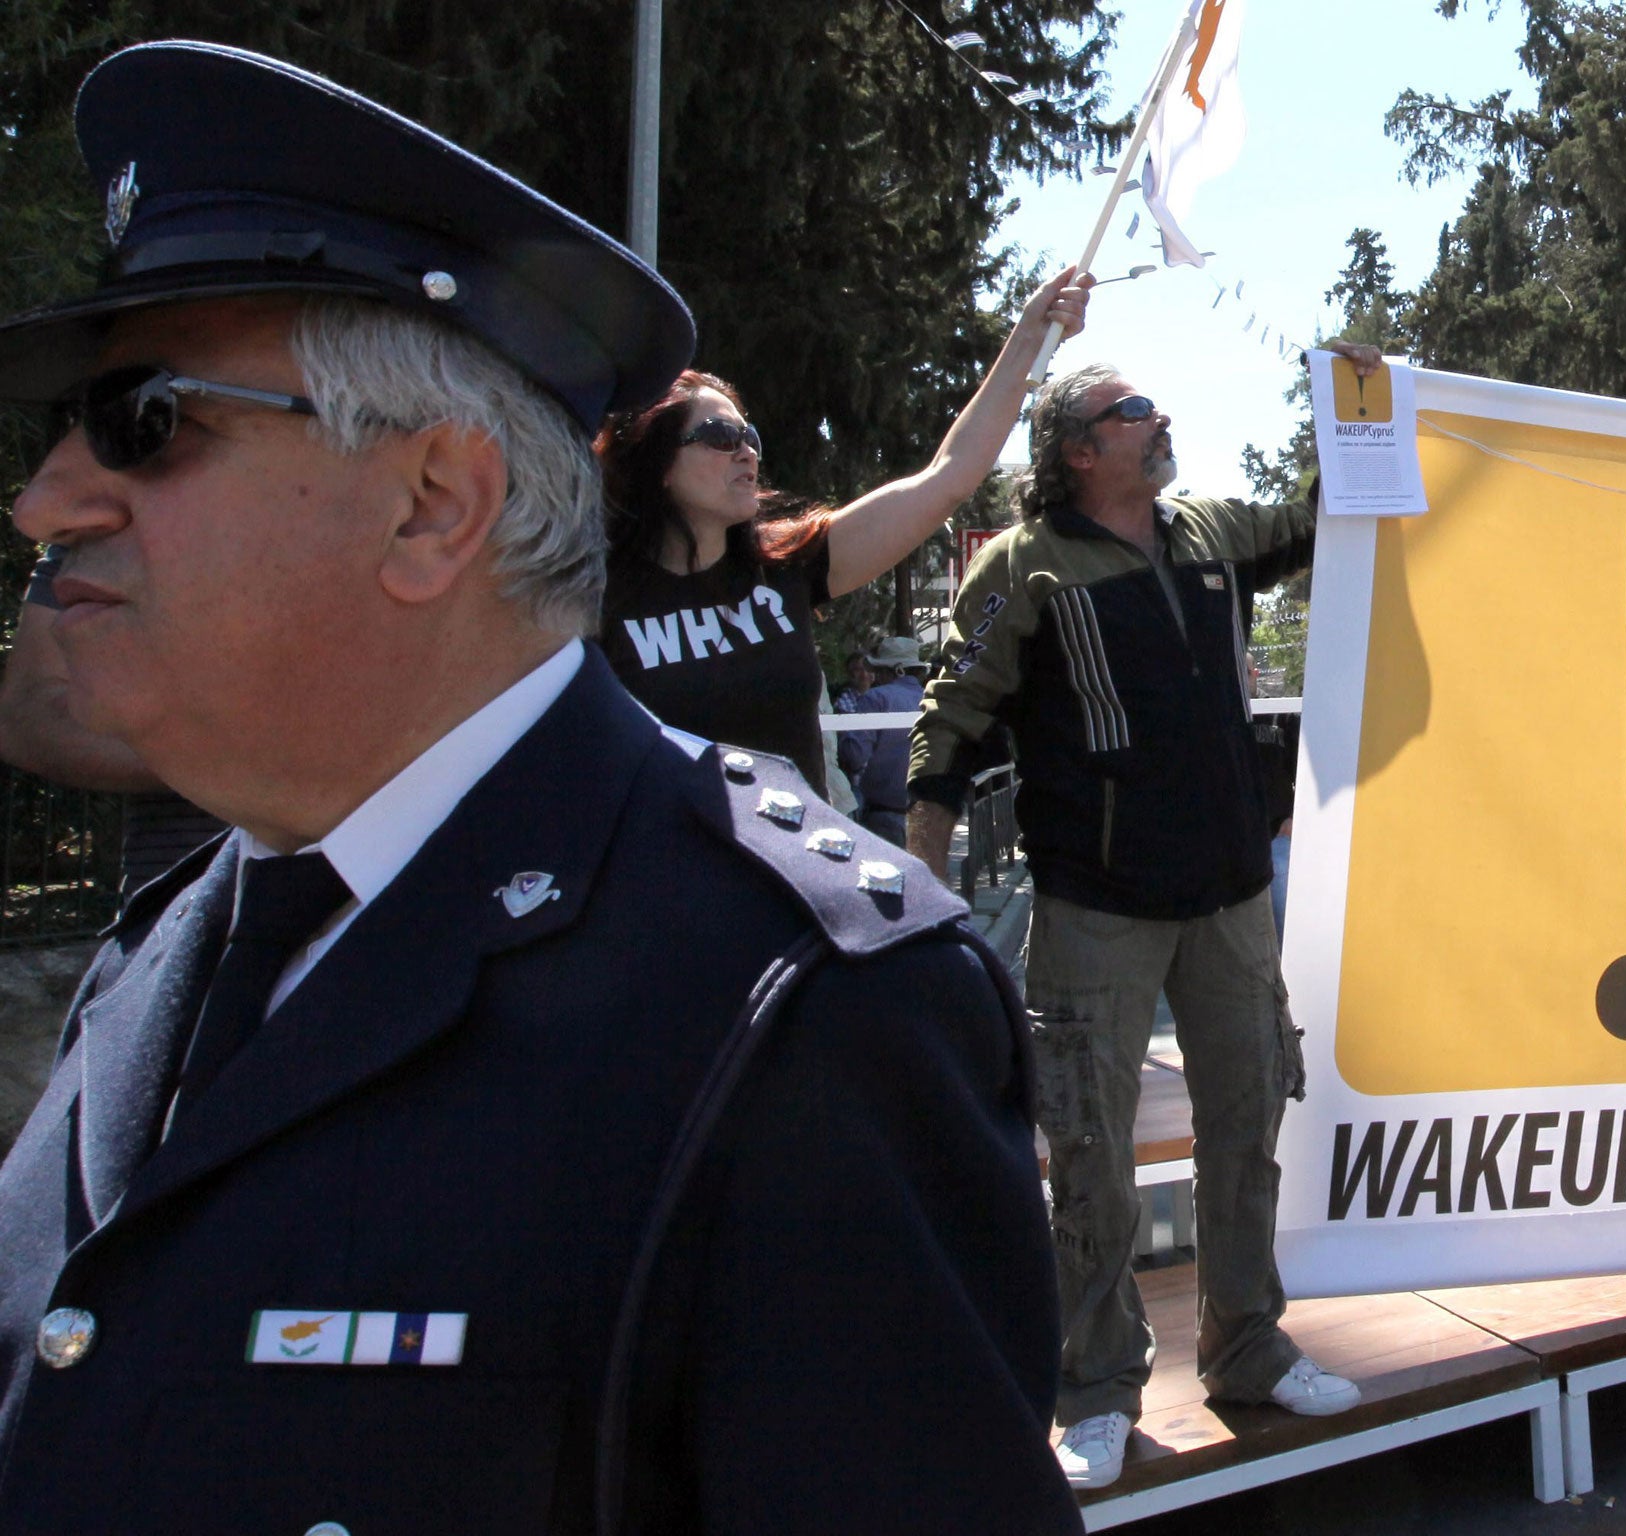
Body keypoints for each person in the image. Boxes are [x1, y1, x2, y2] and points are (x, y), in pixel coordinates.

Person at [0, 41, 1077, 1536]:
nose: (45, 500)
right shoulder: (162, 955)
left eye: (143, 423)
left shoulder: (804, 1016)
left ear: (434, 504)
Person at [905, 348, 1380, 1490]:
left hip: (1229, 897)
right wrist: (919, 879)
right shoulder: (1024, 570)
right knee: (1087, 1149)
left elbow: (1332, 514)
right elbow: (950, 717)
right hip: (1094, 909)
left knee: (1245, 1121)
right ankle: (1099, 1386)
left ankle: (1249, 1348)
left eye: (1154, 408)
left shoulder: (1211, 534)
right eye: (1131, 412)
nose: (1158, 420)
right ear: (1077, 450)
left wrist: (1371, 413)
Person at [594, 272, 1089, 794]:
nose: (748, 452)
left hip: (787, 867)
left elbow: (949, 476)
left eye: (750, 436)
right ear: (657, 463)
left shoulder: (789, 564)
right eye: (719, 436)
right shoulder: (590, 597)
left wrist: (1028, 337)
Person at [0, 549, 227, 896]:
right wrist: (230, 758)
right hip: (175, 902)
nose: (34, 513)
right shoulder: (101, 532)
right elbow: (27, 713)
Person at [836, 635, 928, 846]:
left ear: (895, 670)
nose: (875, 675)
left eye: (880, 670)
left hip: (884, 813)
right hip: (925, 814)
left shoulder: (876, 698)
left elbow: (855, 755)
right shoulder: (929, 699)